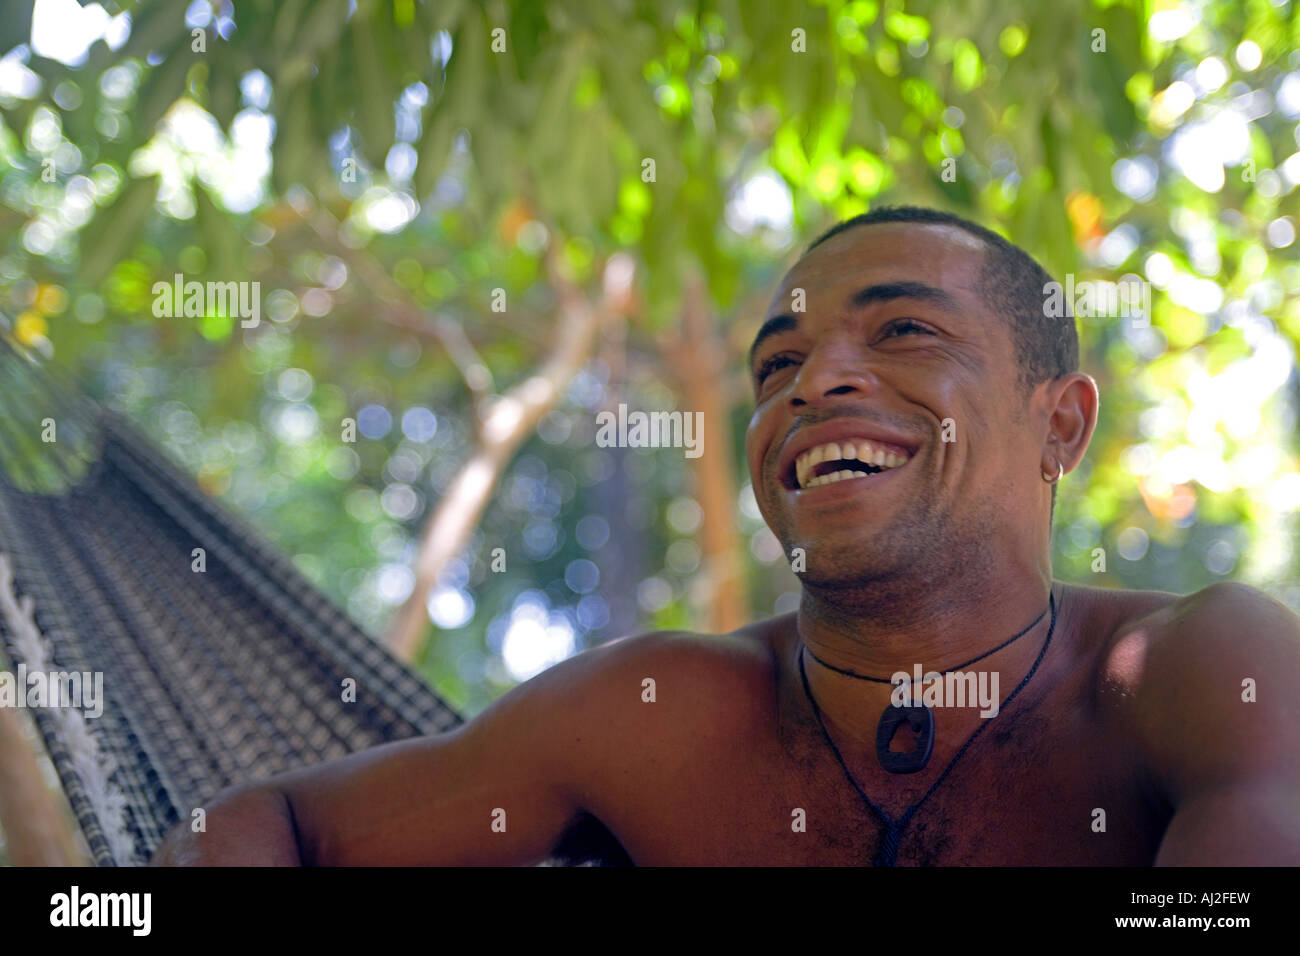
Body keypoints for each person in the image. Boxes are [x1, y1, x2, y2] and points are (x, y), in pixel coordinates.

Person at [151, 206, 1300, 866]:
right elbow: (268, 821)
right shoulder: (653, 717)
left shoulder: (1198, 671)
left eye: (901, 329)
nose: (814, 381)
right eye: (777, 365)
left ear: (1061, 422)